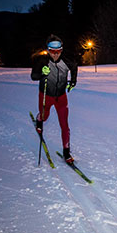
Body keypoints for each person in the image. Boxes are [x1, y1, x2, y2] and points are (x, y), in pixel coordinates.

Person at [31, 34, 77, 163]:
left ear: (61, 50)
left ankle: (66, 152)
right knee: (45, 116)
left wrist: (73, 81)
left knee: (64, 125)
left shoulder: (67, 61)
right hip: (45, 95)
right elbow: (33, 76)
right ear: (48, 50)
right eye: (52, 51)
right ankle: (39, 120)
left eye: (58, 51)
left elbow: (74, 67)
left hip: (61, 97)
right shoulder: (42, 61)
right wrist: (41, 74)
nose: (55, 54)